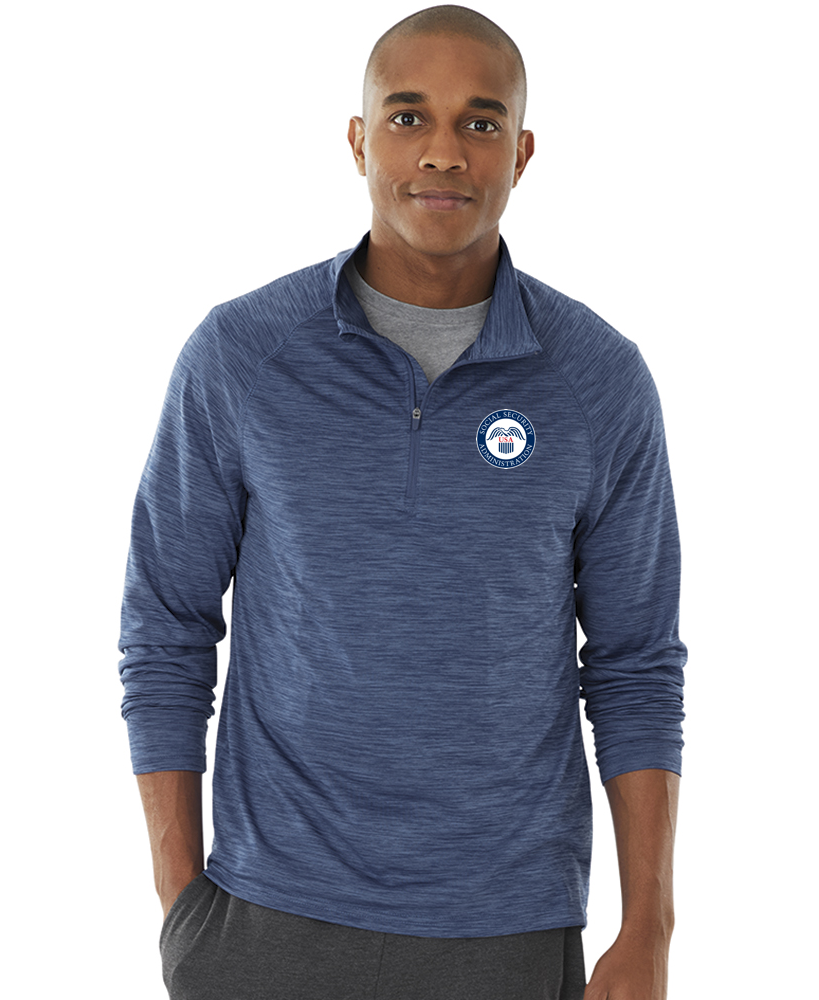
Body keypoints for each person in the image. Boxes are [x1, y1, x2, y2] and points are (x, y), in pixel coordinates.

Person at [119, 6, 686, 999]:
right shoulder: (242, 357)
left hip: (506, 932)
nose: (443, 153)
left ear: (522, 152)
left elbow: (636, 664)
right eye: (408, 116)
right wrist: (182, 906)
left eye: (481, 122)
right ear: (358, 140)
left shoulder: (599, 381)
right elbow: (165, 628)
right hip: (263, 926)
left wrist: (650, 930)